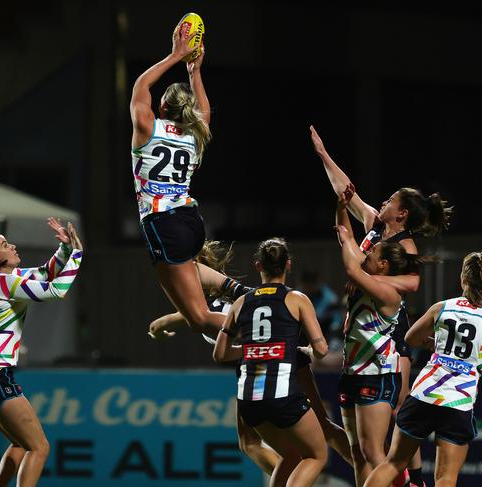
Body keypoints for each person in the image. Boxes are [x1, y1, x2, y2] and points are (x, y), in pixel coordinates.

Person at [311, 125, 452, 487]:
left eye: (391, 200)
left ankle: (415, 477)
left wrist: (366, 278)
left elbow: (412, 283)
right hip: (362, 326)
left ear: (402, 215)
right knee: (361, 446)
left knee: (400, 403)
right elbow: (346, 193)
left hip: (389, 328)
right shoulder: (375, 224)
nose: (384, 202)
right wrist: (325, 155)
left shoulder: (405, 247)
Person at [149, 241, 354, 474]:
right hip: (260, 363)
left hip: (275, 361)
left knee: (278, 442)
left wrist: (168, 319)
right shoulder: (207, 303)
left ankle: (362, 473)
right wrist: (166, 321)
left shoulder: (215, 297)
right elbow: (196, 314)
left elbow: (214, 317)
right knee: (258, 444)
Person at [364, 246, 482, 487]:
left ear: (463, 279)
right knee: (445, 478)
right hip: (457, 402)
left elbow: (410, 338)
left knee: (393, 464)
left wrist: (432, 344)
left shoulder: (442, 307)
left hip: (423, 394)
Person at [0, 217, 83, 487]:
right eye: (4, 244)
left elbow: (44, 273)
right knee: (39, 447)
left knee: (20, 444)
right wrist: (78, 255)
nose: (12, 245)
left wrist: (65, 249)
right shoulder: (3, 282)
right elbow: (55, 290)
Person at [335, 191, 436, 487]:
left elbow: (353, 264)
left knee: (373, 452)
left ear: (384, 267)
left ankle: (410, 483)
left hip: (376, 373)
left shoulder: (386, 292)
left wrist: (346, 235)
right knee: (359, 452)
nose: (368, 252)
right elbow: (348, 242)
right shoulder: (371, 273)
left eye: (374, 254)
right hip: (354, 368)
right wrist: (341, 209)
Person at [130, 18, 225, 336]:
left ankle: (273, 328)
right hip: (190, 221)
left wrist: (175, 55)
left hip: (163, 223)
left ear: (161, 106)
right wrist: (194, 71)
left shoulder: (147, 127)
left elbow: (140, 86)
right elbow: (206, 112)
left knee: (201, 317)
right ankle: (250, 312)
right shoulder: (195, 134)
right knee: (200, 319)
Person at [214, 238, 329, 487]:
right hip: (283, 394)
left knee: (290, 455)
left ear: (258, 266)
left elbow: (220, 354)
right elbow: (321, 349)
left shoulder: (240, 302)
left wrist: (255, 350)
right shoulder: (297, 299)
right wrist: (305, 350)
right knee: (316, 455)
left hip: (248, 400)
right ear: (288, 265)